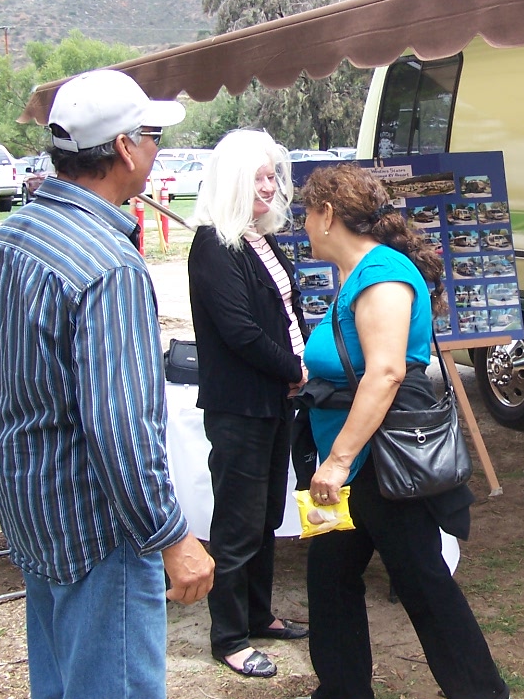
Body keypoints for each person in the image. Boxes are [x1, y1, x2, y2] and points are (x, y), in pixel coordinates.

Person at [0, 69, 214, 698]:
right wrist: (171, 536)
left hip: (36, 515)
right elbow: (121, 428)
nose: (157, 149)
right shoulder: (109, 266)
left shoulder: (11, 237)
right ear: (125, 147)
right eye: (153, 135)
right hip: (97, 530)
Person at [301, 164, 508, 699]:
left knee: (423, 584)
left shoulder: (383, 274)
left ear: (327, 214)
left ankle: (482, 693)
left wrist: (338, 461)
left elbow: (387, 372)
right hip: (355, 458)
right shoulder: (358, 273)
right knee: (330, 579)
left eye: (307, 213)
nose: (303, 226)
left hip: (378, 458)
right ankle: (341, 691)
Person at [187, 130, 310, 678]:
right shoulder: (215, 245)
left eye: (271, 177)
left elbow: (284, 314)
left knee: (265, 517)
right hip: (240, 406)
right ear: (234, 181)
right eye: (259, 177)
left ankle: (259, 615)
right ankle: (230, 636)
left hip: (274, 400)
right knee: (238, 525)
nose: (269, 187)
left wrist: (297, 367)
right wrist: (295, 369)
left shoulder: (259, 238)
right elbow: (240, 332)